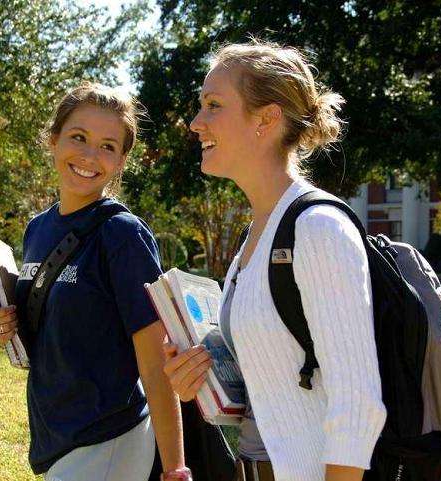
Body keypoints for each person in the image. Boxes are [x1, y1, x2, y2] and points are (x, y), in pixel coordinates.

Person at [163, 41, 387, 481]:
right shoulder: (257, 233)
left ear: (266, 118)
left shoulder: (318, 229)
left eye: (213, 105)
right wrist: (201, 377)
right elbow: (276, 382)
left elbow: (357, 403)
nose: (196, 122)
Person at [0, 82, 191, 481]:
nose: (90, 156)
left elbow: (155, 360)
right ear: (54, 139)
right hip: (54, 435)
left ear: (122, 160)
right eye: (78, 137)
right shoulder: (37, 229)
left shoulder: (123, 235)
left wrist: (175, 469)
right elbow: (47, 331)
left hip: (109, 435)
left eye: (108, 146)